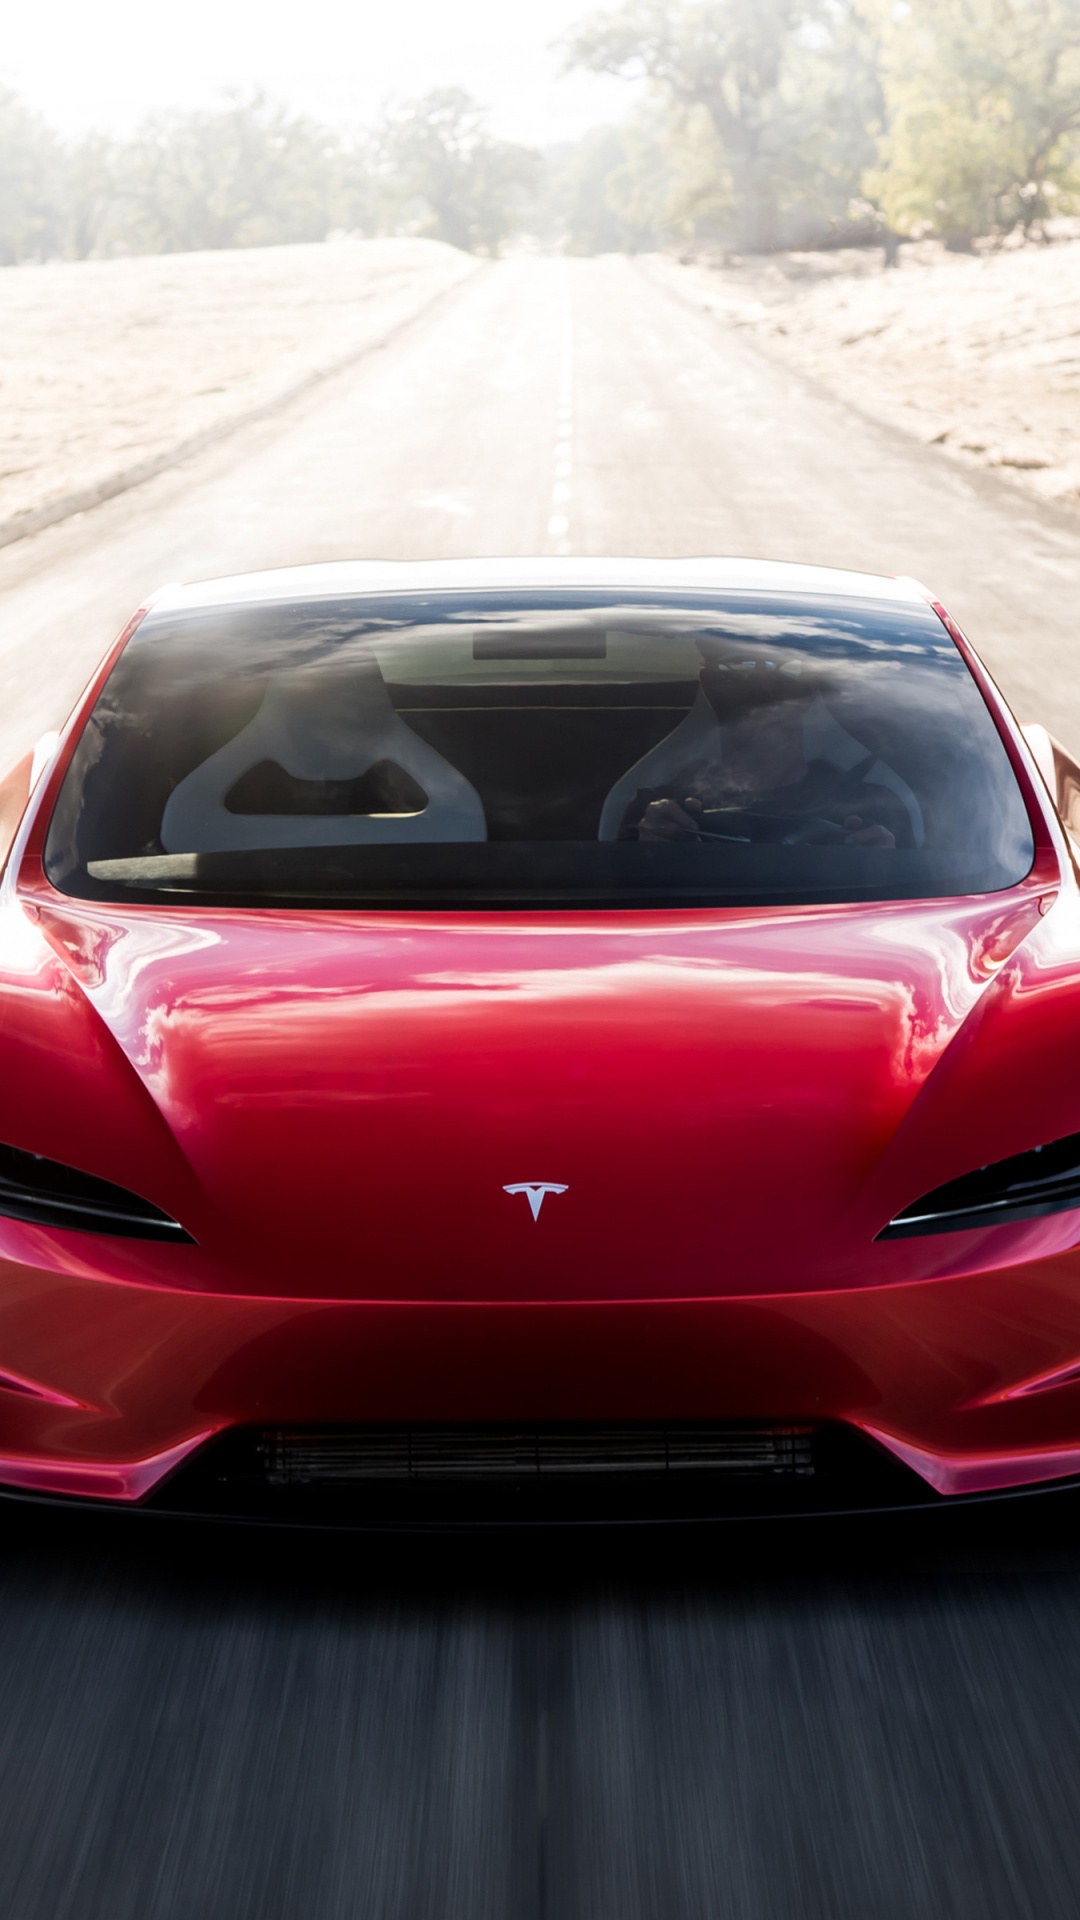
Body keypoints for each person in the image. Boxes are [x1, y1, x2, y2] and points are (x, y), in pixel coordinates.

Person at [621, 650, 901, 847]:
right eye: (738, 667)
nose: (763, 686)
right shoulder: (662, 811)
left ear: (810, 691)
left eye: (783, 669)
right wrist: (646, 849)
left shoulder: (871, 808)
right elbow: (613, 897)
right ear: (709, 685)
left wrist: (884, 864)